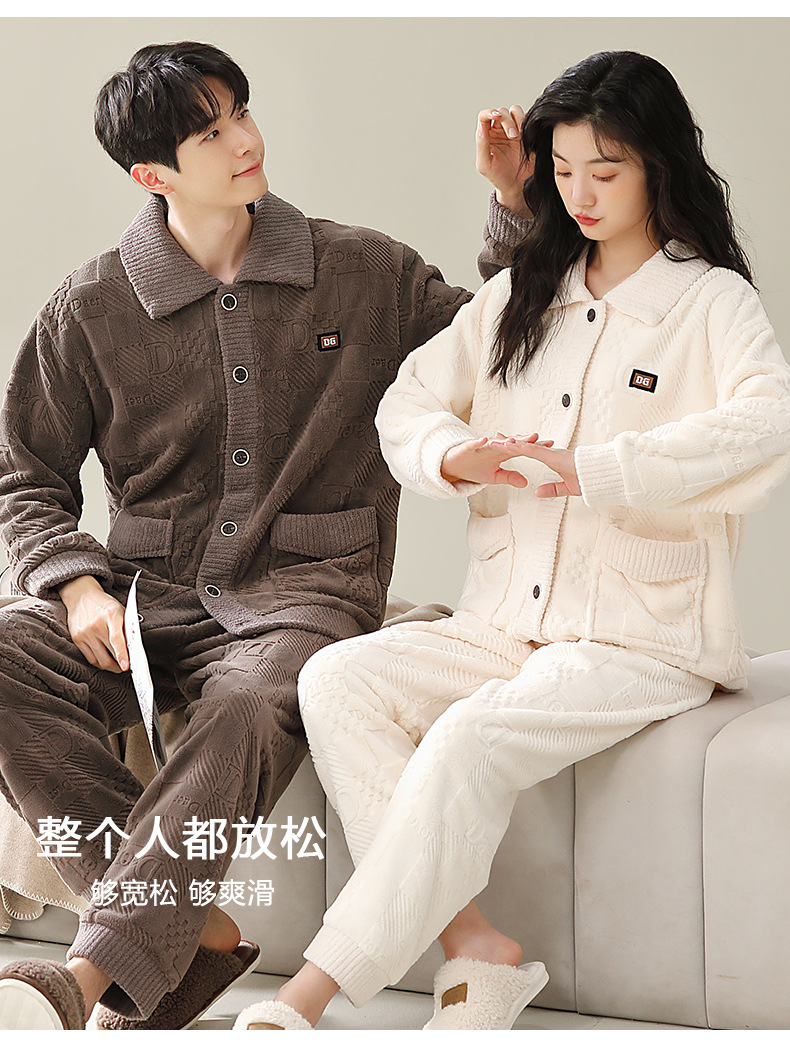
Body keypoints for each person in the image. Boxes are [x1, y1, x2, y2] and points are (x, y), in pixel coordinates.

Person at [233, 50, 790, 1032]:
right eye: (563, 170)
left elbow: (766, 420)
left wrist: (599, 469)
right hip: (501, 621)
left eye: (604, 171)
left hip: (636, 637)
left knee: (468, 738)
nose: (579, 194)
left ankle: (309, 991)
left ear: (657, 166)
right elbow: (407, 401)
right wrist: (457, 456)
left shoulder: (709, 302)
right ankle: (474, 945)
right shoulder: (523, 295)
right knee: (338, 680)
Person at [0, 41, 526, 1031]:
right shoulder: (91, 307)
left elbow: (502, 344)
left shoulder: (365, 271)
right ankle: (189, 936)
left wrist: (514, 206)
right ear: (151, 175)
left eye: (240, 111)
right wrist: (77, 588)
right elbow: (24, 471)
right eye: (211, 132)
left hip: (306, 593)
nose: (245, 139)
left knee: (246, 704)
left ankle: (87, 977)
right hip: (144, 594)